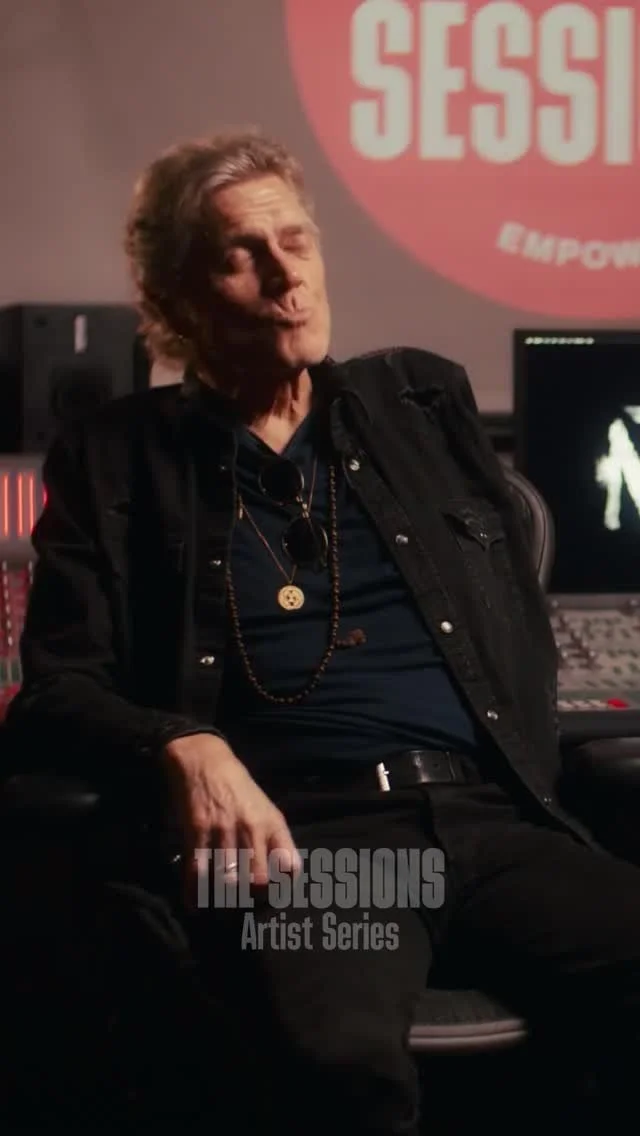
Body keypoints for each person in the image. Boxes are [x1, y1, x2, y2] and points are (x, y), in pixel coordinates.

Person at [6, 128, 640, 1135]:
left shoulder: (418, 407)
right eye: (241, 254)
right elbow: (55, 689)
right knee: (338, 1065)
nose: (285, 275)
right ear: (177, 297)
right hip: (309, 847)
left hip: (486, 822)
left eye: (295, 239)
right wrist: (181, 741)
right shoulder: (120, 459)